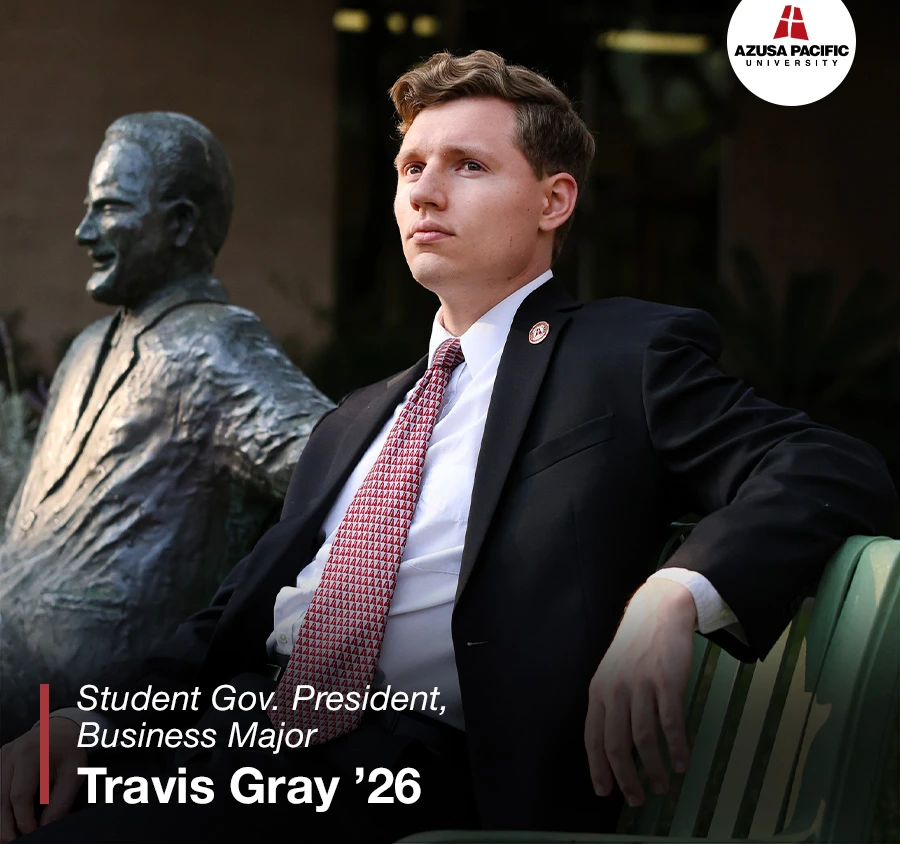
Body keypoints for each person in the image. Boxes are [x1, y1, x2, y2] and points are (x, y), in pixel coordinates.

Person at [0, 53, 894, 843]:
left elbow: (825, 465)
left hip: (414, 764)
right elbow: (223, 622)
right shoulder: (354, 420)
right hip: (242, 738)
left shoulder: (623, 357)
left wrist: (675, 592)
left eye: (468, 166)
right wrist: (98, 718)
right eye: (410, 167)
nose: (425, 191)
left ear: (555, 200)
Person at [0, 113, 333, 741]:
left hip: (95, 699)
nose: (83, 232)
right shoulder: (87, 347)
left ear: (180, 224)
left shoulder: (218, 343)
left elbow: (346, 472)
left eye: (110, 209)